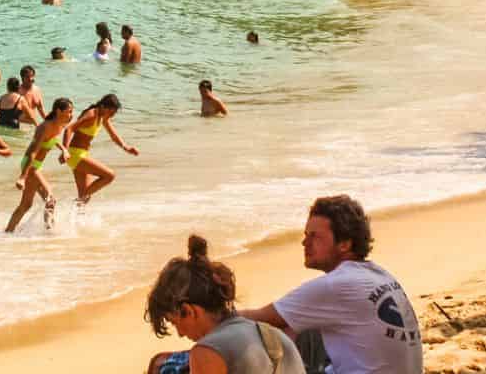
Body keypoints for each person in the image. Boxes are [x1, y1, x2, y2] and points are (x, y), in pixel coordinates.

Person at [243, 195, 422, 374]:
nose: (305, 242)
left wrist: (218, 310)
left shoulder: (337, 285)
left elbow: (260, 317)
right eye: (306, 235)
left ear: (344, 244)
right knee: (300, 322)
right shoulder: (380, 274)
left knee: (262, 331)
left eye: (314, 236)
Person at [145, 234, 306, 374]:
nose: (180, 333)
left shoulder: (207, 351)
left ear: (189, 310)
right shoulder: (273, 335)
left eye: (175, 323)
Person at [6, 98, 74, 233]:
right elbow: (32, 153)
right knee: (50, 199)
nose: (71, 115)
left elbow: (53, 139)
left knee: (25, 205)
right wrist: (22, 177)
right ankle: (49, 230)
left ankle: (8, 232)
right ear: (58, 111)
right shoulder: (44, 127)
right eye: (69, 111)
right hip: (30, 165)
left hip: (36, 166)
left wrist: (64, 149)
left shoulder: (59, 125)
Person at [68, 92, 140, 205]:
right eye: (111, 112)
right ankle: (79, 199)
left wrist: (126, 147)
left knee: (85, 197)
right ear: (103, 106)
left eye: (114, 113)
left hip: (81, 154)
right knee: (109, 175)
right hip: (75, 155)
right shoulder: (92, 114)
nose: (112, 115)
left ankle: (75, 218)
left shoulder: (102, 117)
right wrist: (63, 150)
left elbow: (113, 135)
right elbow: (69, 129)